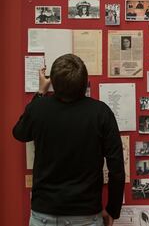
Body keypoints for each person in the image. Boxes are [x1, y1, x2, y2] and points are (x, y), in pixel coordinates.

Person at [13, 54, 125, 226]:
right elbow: (116, 168)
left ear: (54, 84)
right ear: (84, 83)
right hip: (86, 215)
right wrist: (112, 209)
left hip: (43, 214)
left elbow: (20, 133)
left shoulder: (38, 109)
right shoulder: (101, 113)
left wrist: (40, 92)